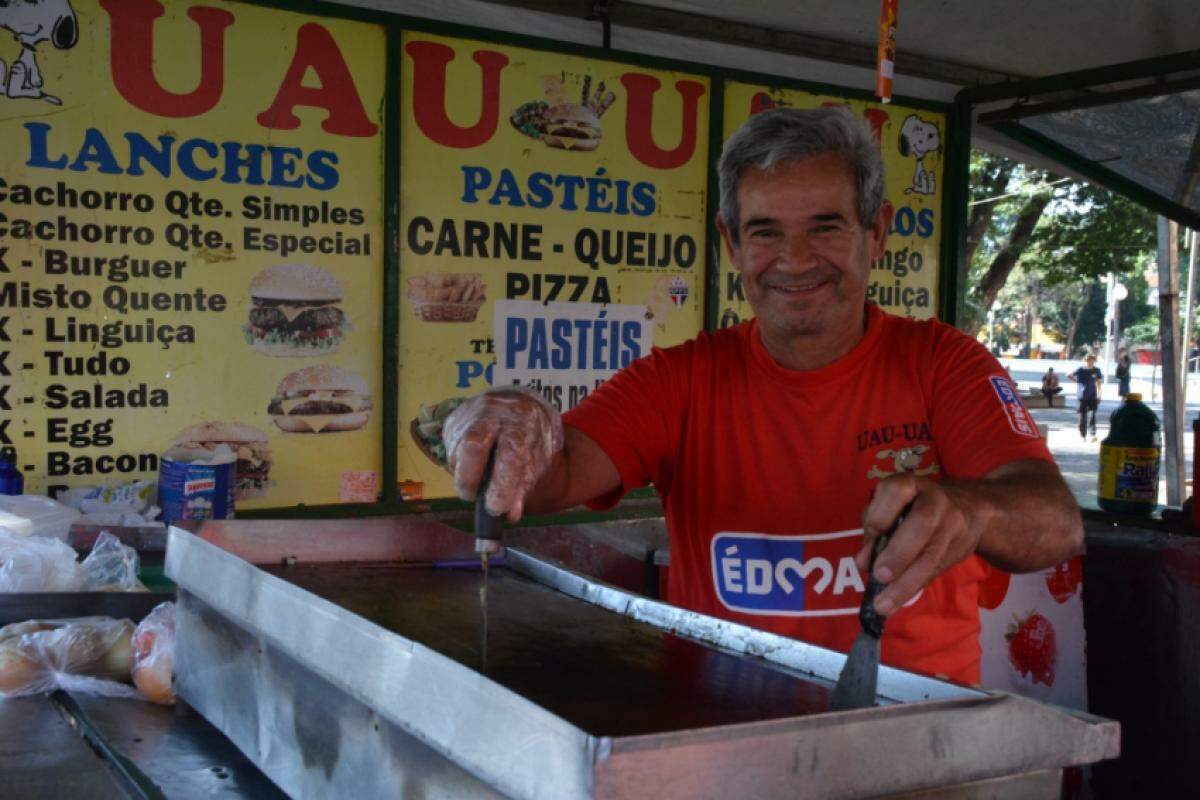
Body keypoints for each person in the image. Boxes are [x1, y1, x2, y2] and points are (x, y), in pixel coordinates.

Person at [442, 107, 1082, 685]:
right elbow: (549, 474)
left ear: (877, 231)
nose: (795, 260)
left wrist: (975, 511)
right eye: (766, 232)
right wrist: (503, 425)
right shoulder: (680, 381)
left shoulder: (945, 364)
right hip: (725, 745)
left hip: (921, 749)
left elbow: (1055, 523)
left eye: (825, 227)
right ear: (731, 243)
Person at [1070, 355, 1103, 441]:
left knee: (1092, 415)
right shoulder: (1081, 369)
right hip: (1082, 396)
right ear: (1086, 361)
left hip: (1093, 396)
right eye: (1088, 360)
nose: (1090, 362)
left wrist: (1099, 394)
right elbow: (1069, 375)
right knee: (1082, 416)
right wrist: (1077, 381)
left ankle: (1092, 433)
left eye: (1091, 360)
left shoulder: (1096, 370)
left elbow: (1098, 383)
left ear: (1094, 361)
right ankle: (1083, 434)